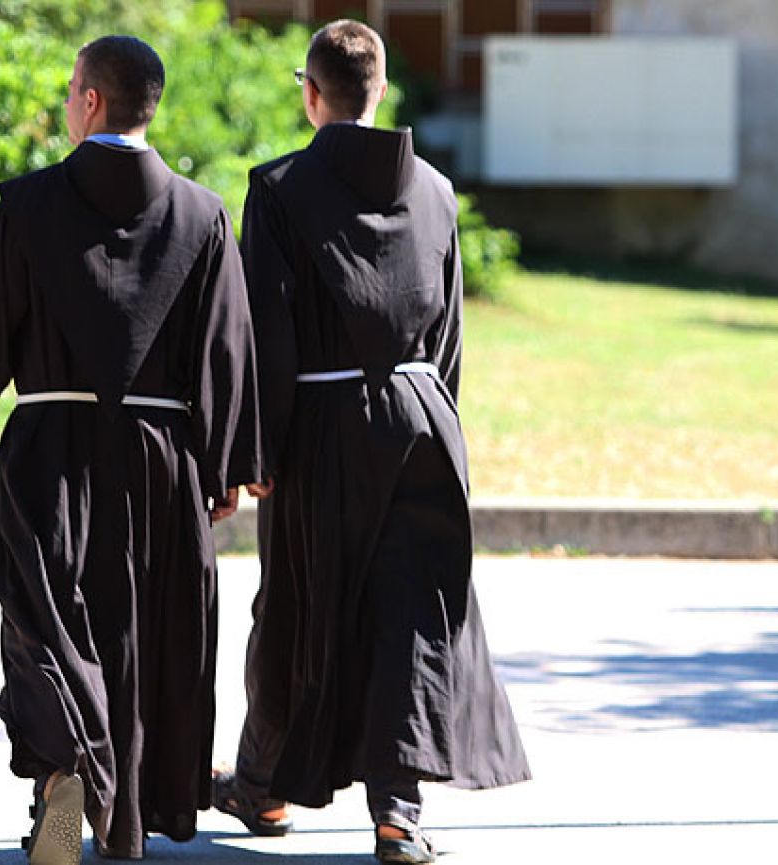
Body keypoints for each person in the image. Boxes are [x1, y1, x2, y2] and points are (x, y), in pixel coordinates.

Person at [0, 35, 261, 865]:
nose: (68, 102)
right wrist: (229, 464)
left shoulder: (29, 206)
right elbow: (226, 350)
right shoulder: (202, 214)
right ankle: (113, 816)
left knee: (47, 627)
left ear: (90, 102)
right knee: (137, 638)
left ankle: (63, 774)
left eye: (71, 90)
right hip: (159, 458)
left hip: (49, 450)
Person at [212, 19, 530, 865]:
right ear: (379, 89)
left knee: (296, 603)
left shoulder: (276, 187)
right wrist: (440, 430)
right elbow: (449, 334)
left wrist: (254, 451)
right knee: (412, 613)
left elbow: (266, 333)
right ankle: (398, 814)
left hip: (318, 425)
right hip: (425, 424)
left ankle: (264, 786)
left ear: (310, 95)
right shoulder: (434, 190)